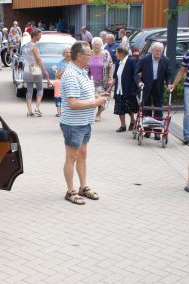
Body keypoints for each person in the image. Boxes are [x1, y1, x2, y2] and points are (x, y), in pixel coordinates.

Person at [60, 41, 108, 205]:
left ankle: (83, 187)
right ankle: (70, 191)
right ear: (79, 56)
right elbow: (73, 103)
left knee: (82, 155)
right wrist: (95, 103)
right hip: (73, 124)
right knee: (71, 157)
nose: (91, 57)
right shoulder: (72, 74)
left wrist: (97, 98)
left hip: (84, 122)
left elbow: (82, 97)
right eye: (88, 55)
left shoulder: (81, 71)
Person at [134, 42, 173, 140]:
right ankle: (147, 130)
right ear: (152, 50)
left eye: (160, 51)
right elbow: (136, 74)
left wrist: (169, 84)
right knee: (146, 108)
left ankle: (157, 132)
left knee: (158, 109)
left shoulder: (165, 60)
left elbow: (168, 75)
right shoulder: (144, 59)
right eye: (157, 51)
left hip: (158, 86)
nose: (159, 53)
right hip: (146, 85)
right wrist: (139, 83)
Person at [22, 29, 49, 117]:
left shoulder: (26, 45)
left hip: (27, 69)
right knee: (40, 89)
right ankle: (37, 108)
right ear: (35, 35)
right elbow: (39, 60)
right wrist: (45, 71)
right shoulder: (34, 46)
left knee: (29, 90)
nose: (40, 37)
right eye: (39, 35)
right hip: (35, 70)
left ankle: (29, 110)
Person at [112, 46, 138, 132]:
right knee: (120, 108)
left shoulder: (131, 61)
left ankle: (132, 122)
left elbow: (136, 75)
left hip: (128, 89)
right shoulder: (118, 62)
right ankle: (123, 125)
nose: (115, 54)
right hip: (119, 89)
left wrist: (134, 88)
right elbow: (115, 76)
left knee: (130, 108)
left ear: (121, 53)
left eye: (116, 52)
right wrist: (110, 88)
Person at [88, 37, 114, 121]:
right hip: (90, 80)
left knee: (101, 98)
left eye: (98, 45)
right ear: (92, 45)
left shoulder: (105, 53)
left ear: (101, 45)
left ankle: (98, 114)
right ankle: (90, 113)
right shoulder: (89, 54)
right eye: (95, 45)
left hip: (103, 81)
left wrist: (110, 78)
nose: (96, 47)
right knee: (91, 97)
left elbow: (111, 66)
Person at [170, 51, 189, 145]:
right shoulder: (188, 54)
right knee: (187, 112)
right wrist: (174, 84)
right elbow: (182, 71)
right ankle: (186, 136)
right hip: (188, 86)